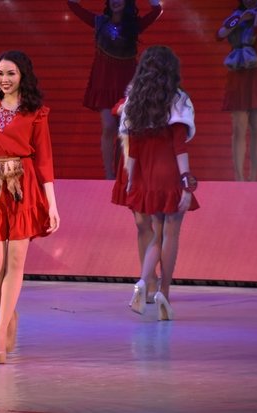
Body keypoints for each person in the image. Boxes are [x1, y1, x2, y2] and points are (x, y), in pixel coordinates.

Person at [0, 50, 60, 364]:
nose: (4, 79)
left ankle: (0, 333)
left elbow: (44, 160)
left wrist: (52, 204)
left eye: (11, 74)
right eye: (0, 73)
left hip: (23, 185)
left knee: (16, 262)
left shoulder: (36, 112)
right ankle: (11, 316)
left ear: (23, 76)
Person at [119, 45, 199, 321]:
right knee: (170, 235)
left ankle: (143, 282)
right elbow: (179, 146)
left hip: (148, 176)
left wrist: (131, 180)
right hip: (170, 174)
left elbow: (133, 150)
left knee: (156, 234)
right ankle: (164, 291)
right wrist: (187, 183)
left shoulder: (136, 102)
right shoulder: (177, 100)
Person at [67, 0, 162, 179]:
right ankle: (109, 175)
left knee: (125, 130)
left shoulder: (133, 26)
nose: (116, 1)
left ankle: (123, 174)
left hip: (127, 84)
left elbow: (157, 11)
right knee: (109, 126)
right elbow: (74, 6)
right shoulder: (99, 22)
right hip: (104, 81)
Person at [217, 0, 257, 181]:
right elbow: (221, 33)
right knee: (239, 127)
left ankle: (253, 176)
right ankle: (239, 177)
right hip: (239, 74)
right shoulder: (236, 16)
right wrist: (239, 19)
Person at [111, 86, 160, 305]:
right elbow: (117, 109)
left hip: (154, 161)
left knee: (157, 224)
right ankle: (150, 279)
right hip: (132, 162)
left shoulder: (167, 98)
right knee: (141, 223)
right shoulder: (132, 99)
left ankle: (157, 280)